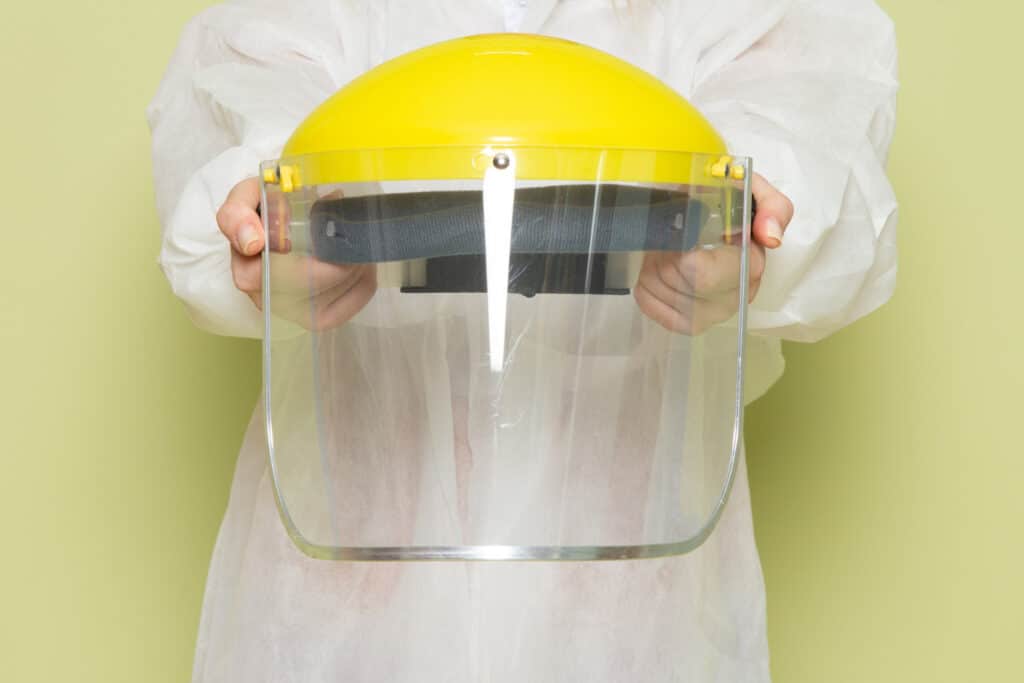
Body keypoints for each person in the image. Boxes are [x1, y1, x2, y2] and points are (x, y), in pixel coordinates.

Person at [148, 1, 898, 680]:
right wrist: (266, 222)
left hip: (629, 594)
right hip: (351, 585)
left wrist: (747, 225)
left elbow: (816, 141)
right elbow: (235, 133)